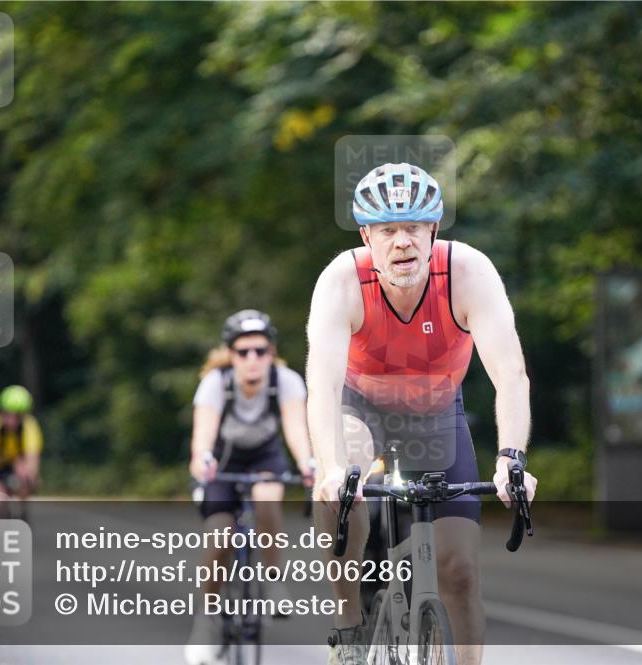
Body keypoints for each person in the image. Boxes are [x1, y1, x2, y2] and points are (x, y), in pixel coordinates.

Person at [307, 163, 539, 665]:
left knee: (459, 571)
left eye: (414, 227)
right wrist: (328, 467)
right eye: (388, 230)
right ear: (367, 235)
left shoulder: (468, 272)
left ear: (433, 229)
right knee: (343, 480)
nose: (402, 242)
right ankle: (347, 625)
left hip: (436, 412)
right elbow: (322, 387)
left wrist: (511, 458)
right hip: (360, 408)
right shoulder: (342, 281)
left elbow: (511, 376)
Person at [185, 309, 314, 665]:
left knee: (268, 497)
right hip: (224, 463)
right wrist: (203, 462)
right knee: (219, 535)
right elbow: (202, 440)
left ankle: (273, 581)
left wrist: (307, 464)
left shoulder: (285, 380)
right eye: (243, 352)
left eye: (260, 350)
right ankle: (206, 620)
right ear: (232, 355)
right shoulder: (216, 382)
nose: (253, 359)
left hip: (265, 458)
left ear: (271, 352)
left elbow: (296, 429)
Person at [0, 385, 43, 513]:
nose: (12, 420)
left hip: (19, 469)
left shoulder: (29, 426)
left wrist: (29, 478)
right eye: (8, 414)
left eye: (17, 415)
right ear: (1, 412)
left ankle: (22, 513)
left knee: (26, 477)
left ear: (23, 415)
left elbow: (33, 460)